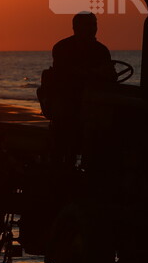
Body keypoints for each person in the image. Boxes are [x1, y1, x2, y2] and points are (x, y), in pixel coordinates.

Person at [39, 12, 115, 164]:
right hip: (68, 98)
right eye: (88, 25)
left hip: (93, 100)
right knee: (69, 118)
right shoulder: (62, 47)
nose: (92, 29)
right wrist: (91, 73)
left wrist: (107, 75)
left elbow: (110, 75)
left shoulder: (102, 50)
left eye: (94, 25)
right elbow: (64, 72)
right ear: (76, 27)